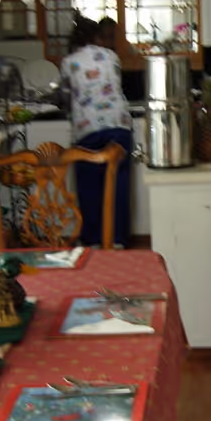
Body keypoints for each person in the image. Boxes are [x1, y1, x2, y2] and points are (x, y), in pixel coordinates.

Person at [60, 14, 133, 247]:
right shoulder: (111, 56)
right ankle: (118, 240)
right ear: (95, 36)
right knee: (118, 185)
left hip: (87, 128)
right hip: (119, 125)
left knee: (90, 187)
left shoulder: (69, 62)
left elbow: (65, 94)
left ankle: (92, 241)